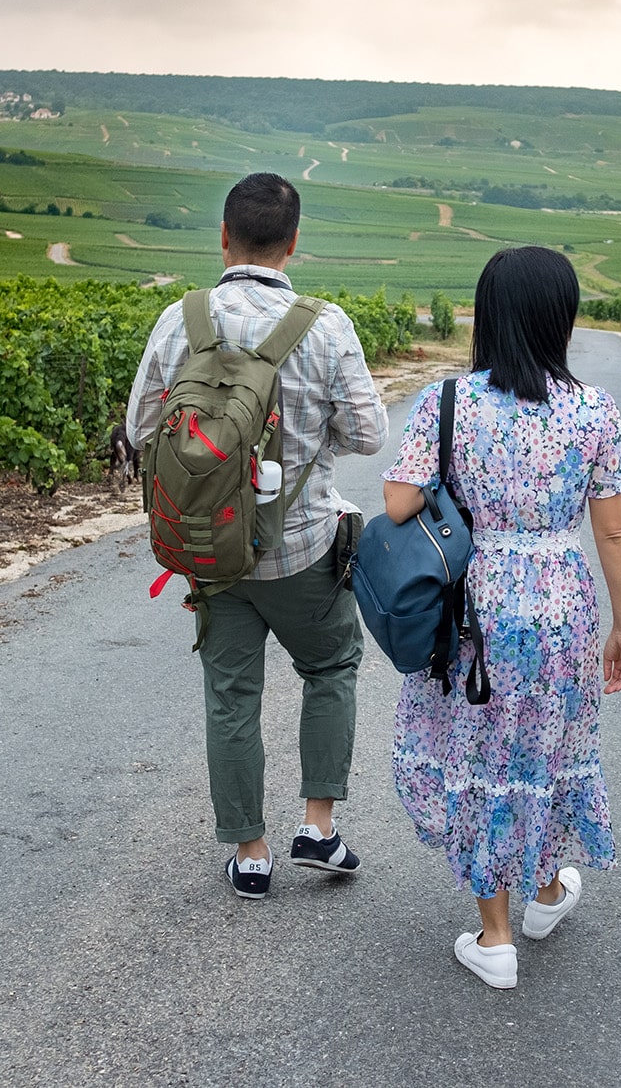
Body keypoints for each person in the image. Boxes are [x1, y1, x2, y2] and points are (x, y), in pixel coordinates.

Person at [380, 245, 621, 990]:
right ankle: (547, 891)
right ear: (562, 317)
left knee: (479, 750)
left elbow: (399, 503)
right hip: (562, 600)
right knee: (546, 744)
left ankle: (496, 934)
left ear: (488, 314)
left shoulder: (447, 401)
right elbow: (613, 531)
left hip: (477, 606)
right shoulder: (593, 410)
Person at [126, 172, 389, 900]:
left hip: (212, 552)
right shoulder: (326, 324)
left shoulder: (181, 320)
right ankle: (318, 824)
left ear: (222, 235)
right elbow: (369, 433)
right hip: (305, 546)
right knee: (332, 665)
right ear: (293, 241)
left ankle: (249, 852)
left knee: (231, 694)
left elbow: (140, 429)